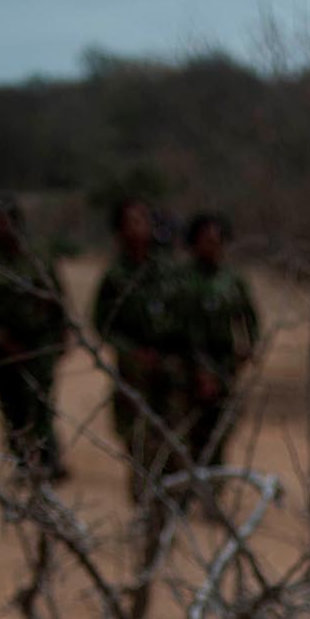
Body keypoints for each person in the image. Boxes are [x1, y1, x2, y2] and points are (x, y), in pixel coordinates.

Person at [0, 197, 69, 481]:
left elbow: (57, 297)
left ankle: (49, 458)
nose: (4, 227)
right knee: (12, 404)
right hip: (2, 349)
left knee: (41, 402)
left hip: (39, 342)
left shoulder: (37, 258)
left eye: (8, 220)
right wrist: (1, 341)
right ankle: (23, 460)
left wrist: (62, 335)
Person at [92, 196, 186, 501]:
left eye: (145, 220)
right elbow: (103, 323)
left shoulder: (167, 270)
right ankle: (144, 503)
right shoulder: (115, 276)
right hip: (134, 371)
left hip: (170, 368)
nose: (141, 227)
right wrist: (131, 351)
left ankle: (175, 500)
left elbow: (185, 316)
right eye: (133, 221)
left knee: (175, 434)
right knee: (138, 438)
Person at [174, 211, 260, 467]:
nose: (213, 245)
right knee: (186, 429)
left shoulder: (232, 280)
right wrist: (197, 368)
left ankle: (214, 486)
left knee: (220, 429)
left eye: (217, 239)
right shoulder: (182, 280)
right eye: (206, 239)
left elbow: (249, 317)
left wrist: (247, 348)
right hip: (187, 366)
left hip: (225, 363)